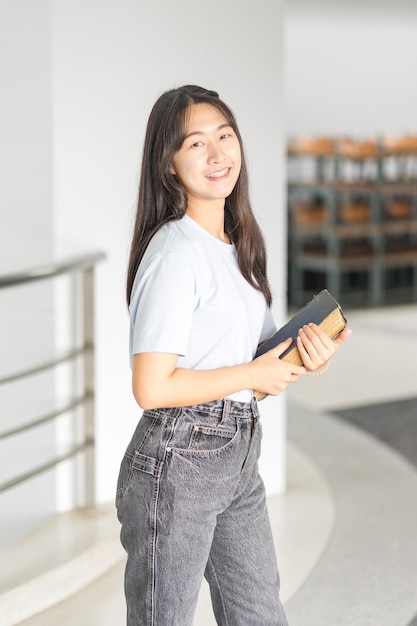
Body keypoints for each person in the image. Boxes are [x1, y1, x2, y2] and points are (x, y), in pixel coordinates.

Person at [116, 84, 351, 626]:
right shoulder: (175, 252)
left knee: (260, 616)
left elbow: (258, 375)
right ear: (169, 165)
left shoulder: (239, 245)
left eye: (225, 135)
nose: (218, 154)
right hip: (179, 458)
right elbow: (152, 388)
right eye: (196, 144)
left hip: (237, 453)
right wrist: (255, 372)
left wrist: (303, 358)